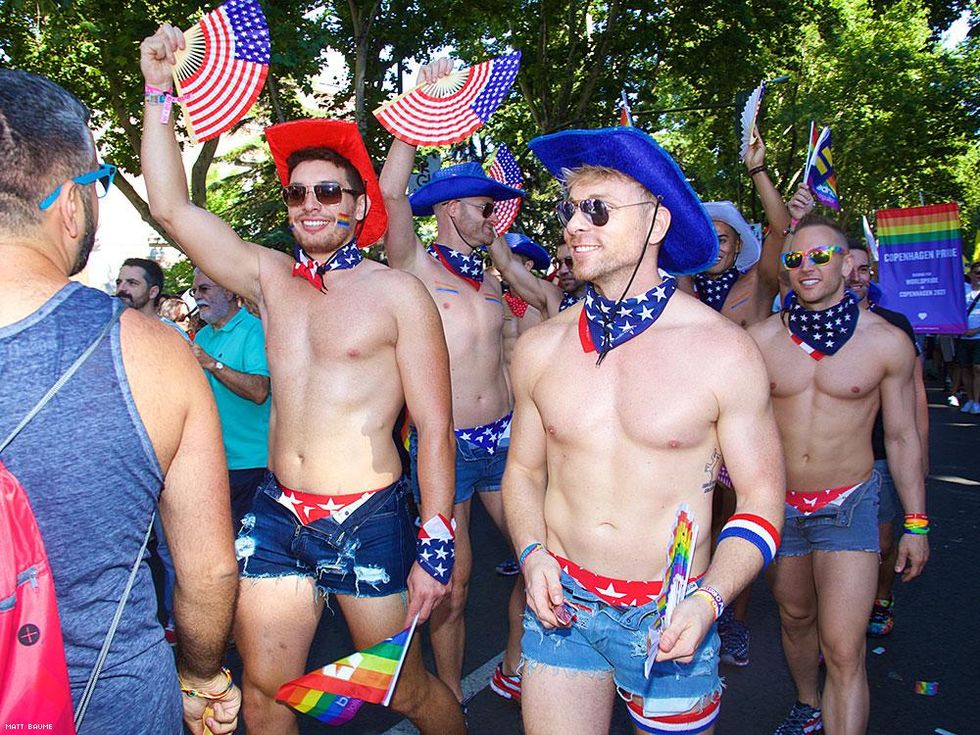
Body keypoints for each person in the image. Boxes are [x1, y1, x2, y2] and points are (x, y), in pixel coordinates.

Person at [139, 25, 464, 735]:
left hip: (370, 518)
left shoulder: (398, 295)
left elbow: (436, 427)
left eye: (328, 191)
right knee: (264, 691)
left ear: (355, 205)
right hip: (280, 514)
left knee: (404, 691)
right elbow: (172, 209)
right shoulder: (269, 278)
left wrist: (437, 546)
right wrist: (158, 90)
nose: (310, 204)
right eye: (297, 193)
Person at [504, 125, 785, 735]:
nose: (575, 225)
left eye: (598, 210)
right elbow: (523, 473)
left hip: (673, 616)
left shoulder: (723, 351)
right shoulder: (539, 348)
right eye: (570, 209)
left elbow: (762, 499)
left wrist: (711, 600)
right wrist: (531, 557)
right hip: (562, 609)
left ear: (656, 224)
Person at [0, 69, 240, 734]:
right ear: (69, 203)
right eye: (99, 183)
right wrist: (200, 675)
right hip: (110, 700)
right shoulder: (153, 352)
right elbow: (209, 571)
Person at [379, 58, 527, 701]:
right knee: (455, 585)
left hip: (508, 440)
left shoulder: (493, 279)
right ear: (446, 209)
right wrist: (420, 108)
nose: (492, 215)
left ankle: (516, 664)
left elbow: (509, 360)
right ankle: (446, 699)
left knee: (542, 554)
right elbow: (388, 193)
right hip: (448, 450)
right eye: (480, 206)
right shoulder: (412, 266)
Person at [748, 214, 929, 735]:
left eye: (821, 255)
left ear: (848, 263)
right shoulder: (759, 342)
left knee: (844, 647)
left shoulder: (885, 342)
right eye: (795, 257)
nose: (807, 266)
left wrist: (915, 523)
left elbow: (900, 438)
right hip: (777, 508)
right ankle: (808, 703)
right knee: (795, 619)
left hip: (850, 504)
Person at [845, 241, 929, 637]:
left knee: (879, 543)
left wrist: (921, 455)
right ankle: (842, 624)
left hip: (882, 454)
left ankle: (881, 598)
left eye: (864, 270)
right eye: (850, 268)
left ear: (871, 275)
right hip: (837, 459)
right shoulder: (814, 326)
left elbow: (917, 399)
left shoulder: (895, 325)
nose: (856, 277)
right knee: (842, 551)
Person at [190, 269, 272, 527]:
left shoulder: (254, 330)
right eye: (195, 291)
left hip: (253, 464)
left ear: (228, 290)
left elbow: (259, 391)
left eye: (205, 289)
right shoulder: (202, 336)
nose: (197, 297)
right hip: (214, 462)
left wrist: (213, 364)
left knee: (246, 552)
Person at [490, 237, 586, 319]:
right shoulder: (554, 297)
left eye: (570, 262)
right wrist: (491, 220)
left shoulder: (600, 299)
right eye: (558, 263)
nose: (562, 270)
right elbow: (507, 265)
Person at [956, 261, 980, 413]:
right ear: (971, 274)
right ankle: (970, 399)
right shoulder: (961, 290)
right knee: (965, 368)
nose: (979, 276)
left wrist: (976, 330)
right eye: (977, 273)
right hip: (962, 336)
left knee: (977, 368)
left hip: (978, 337)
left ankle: (977, 402)